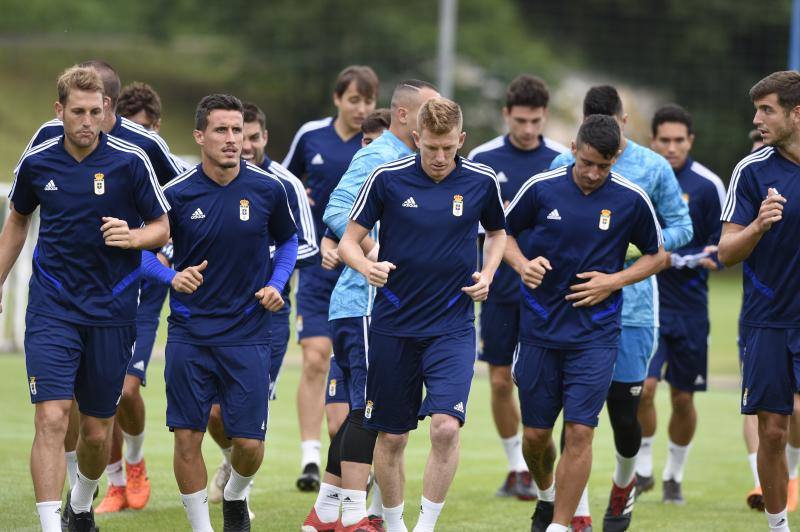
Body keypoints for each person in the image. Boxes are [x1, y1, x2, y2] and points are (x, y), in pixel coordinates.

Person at [16, 62, 185, 521]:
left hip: (113, 309)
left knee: (95, 431)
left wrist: (134, 237)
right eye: (77, 112)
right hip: (52, 306)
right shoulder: (38, 161)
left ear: (107, 109)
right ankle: (52, 524)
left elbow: (163, 225)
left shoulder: (132, 162)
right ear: (60, 111)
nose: (86, 121)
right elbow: (17, 219)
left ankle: (81, 502)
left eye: (95, 111)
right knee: (51, 417)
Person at [338, 97, 506, 532]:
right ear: (417, 139)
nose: (439, 157)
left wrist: (488, 272)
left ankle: (425, 526)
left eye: (448, 147)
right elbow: (347, 243)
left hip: (452, 326)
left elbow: (498, 234)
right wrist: (366, 266)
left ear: (461, 140)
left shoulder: (481, 182)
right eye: (431, 147)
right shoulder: (387, 179)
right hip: (394, 325)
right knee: (392, 436)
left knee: (446, 428)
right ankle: (393, 525)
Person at [507, 114, 665, 532]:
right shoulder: (541, 189)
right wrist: (522, 264)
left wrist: (614, 281)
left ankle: (560, 525)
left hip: (595, 336)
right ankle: (546, 497)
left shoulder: (631, 199)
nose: (594, 174)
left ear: (616, 158)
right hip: (539, 332)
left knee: (580, 431)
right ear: (573, 150)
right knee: (537, 438)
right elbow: (500, 233)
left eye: (604, 165)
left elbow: (657, 255)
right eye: (587, 162)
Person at [550, 86, 692, 532]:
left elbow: (683, 227)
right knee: (574, 418)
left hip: (631, 311)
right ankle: (577, 510)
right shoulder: (560, 166)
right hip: (573, 309)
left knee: (624, 411)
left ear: (623, 121)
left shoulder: (651, 167)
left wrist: (635, 251)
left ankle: (624, 484)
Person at [303, 82, 439, 532]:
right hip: (365, 302)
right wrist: (371, 245)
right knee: (369, 409)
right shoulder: (378, 155)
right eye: (428, 110)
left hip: (375, 305)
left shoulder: (411, 160)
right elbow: (336, 210)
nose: (434, 117)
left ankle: (324, 513)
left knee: (369, 410)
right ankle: (355, 516)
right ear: (404, 115)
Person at [161, 94, 298, 532]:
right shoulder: (176, 195)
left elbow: (289, 244)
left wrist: (276, 285)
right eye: (221, 130)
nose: (232, 139)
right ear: (200, 136)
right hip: (189, 333)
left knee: (251, 445)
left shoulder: (267, 189)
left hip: (249, 334)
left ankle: (236, 492)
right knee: (188, 436)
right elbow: (145, 254)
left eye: (237, 130)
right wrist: (171, 278)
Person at [204, 102, 319, 517]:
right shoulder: (210, 182)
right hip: (214, 317)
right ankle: (231, 465)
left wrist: (260, 261)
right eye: (236, 135)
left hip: (266, 320)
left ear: (265, 138)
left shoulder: (283, 183)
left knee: (245, 416)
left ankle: (239, 495)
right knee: (214, 413)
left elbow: (307, 244)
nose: (244, 145)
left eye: (252, 137)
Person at [467, 74, 566, 501]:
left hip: (547, 294)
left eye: (536, 121)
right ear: (506, 114)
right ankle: (516, 467)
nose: (528, 130)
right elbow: (481, 228)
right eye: (521, 120)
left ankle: (538, 459)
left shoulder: (562, 158)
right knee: (500, 380)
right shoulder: (482, 158)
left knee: (540, 383)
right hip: (500, 290)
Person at [282, 65, 379, 490]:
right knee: (316, 356)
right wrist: (316, 238)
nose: (361, 108)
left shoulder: (384, 144)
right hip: (321, 272)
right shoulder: (311, 136)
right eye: (354, 99)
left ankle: (353, 463)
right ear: (337, 99)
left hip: (364, 272)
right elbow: (284, 189)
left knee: (354, 366)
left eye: (368, 101)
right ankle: (309, 457)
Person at [718, 70, 800, 532]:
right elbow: (726, 252)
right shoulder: (752, 171)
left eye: (767, 109)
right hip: (766, 321)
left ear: (796, 113)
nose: (757, 118)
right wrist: (758, 225)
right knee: (771, 428)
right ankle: (778, 526)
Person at [635, 104, 726, 504]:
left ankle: (675, 473)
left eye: (679, 141)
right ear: (652, 140)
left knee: (683, 397)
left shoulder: (708, 186)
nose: (671, 148)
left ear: (690, 141)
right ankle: (643, 467)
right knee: (645, 388)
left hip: (691, 307)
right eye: (664, 140)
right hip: (647, 303)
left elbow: (725, 244)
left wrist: (706, 256)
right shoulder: (641, 179)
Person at [95, 80, 178, 515]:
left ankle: (135, 463)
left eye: (150, 127)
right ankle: (112, 484)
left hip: (144, 292)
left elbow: (181, 206)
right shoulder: (85, 148)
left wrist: (168, 258)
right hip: (99, 290)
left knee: (126, 390)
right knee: (98, 394)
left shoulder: (151, 152)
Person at [321, 107, 393, 439]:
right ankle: (350, 487)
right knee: (338, 423)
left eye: (378, 143)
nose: (369, 151)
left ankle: (360, 491)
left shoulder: (395, 194)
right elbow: (333, 231)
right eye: (365, 142)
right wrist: (329, 249)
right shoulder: (354, 190)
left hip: (370, 309)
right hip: (342, 310)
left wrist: (371, 254)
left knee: (366, 420)